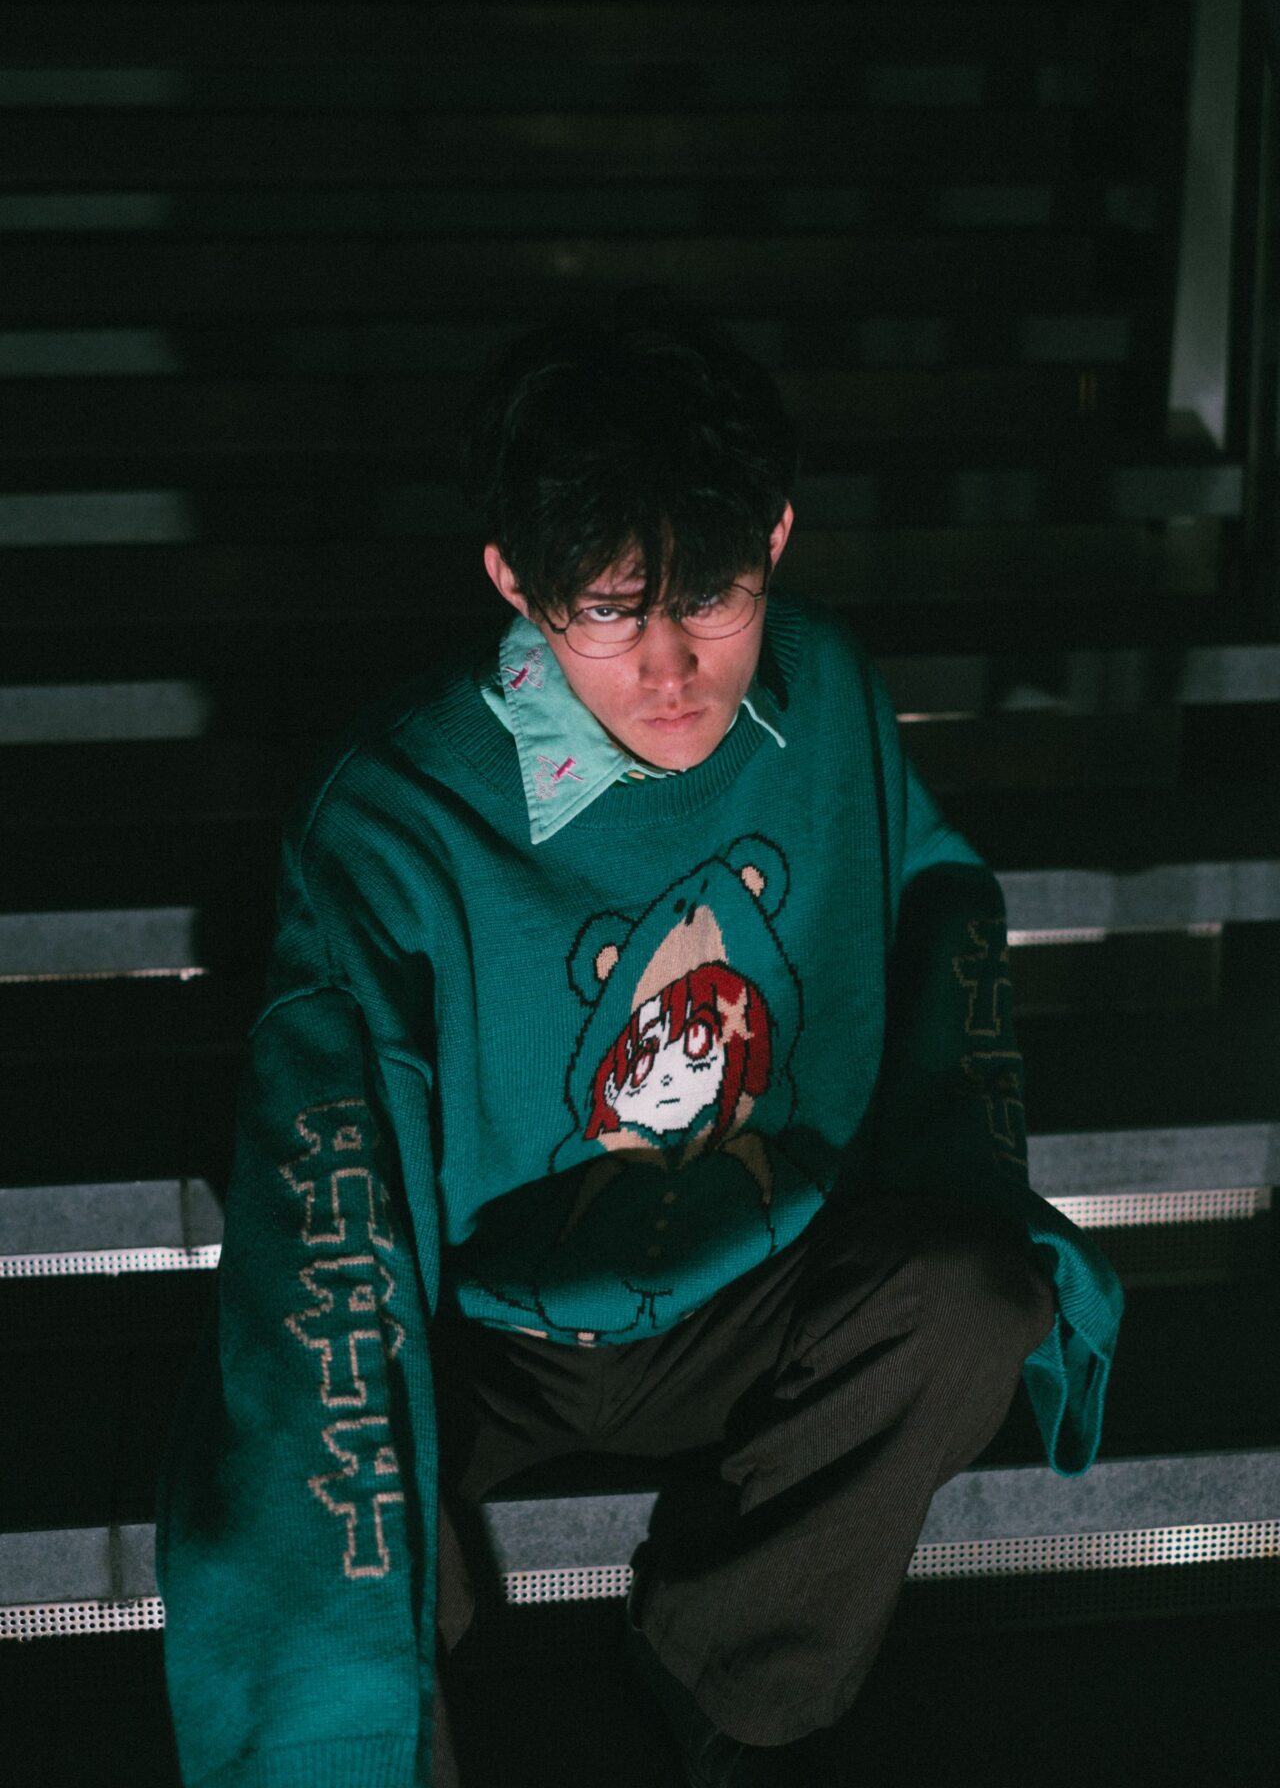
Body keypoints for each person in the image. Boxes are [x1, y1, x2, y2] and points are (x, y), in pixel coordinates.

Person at [157, 296, 1123, 1787]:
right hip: (484, 1331)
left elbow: (936, 909)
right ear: (514, 580)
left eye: (714, 594)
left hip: (751, 1282)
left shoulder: (828, 700)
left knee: (975, 1298)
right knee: (319, 1452)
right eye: (609, 610)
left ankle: (719, 1664)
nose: (671, 669)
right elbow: (328, 1217)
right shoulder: (397, 816)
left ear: (777, 540)